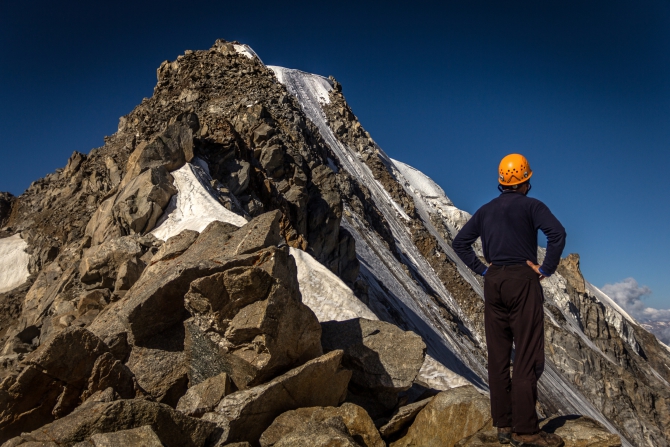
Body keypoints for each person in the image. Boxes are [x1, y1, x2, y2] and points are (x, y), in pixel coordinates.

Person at [452, 154, 566, 447]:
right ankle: (526, 431)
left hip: (494, 282)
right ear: (526, 181)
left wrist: (482, 269)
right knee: (527, 355)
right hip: (522, 280)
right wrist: (545, 269)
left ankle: (503, 425)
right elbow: (557, 234)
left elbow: (460, 243)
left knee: (499, 355)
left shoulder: (485, 210)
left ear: (501, 182)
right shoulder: (532, 206)